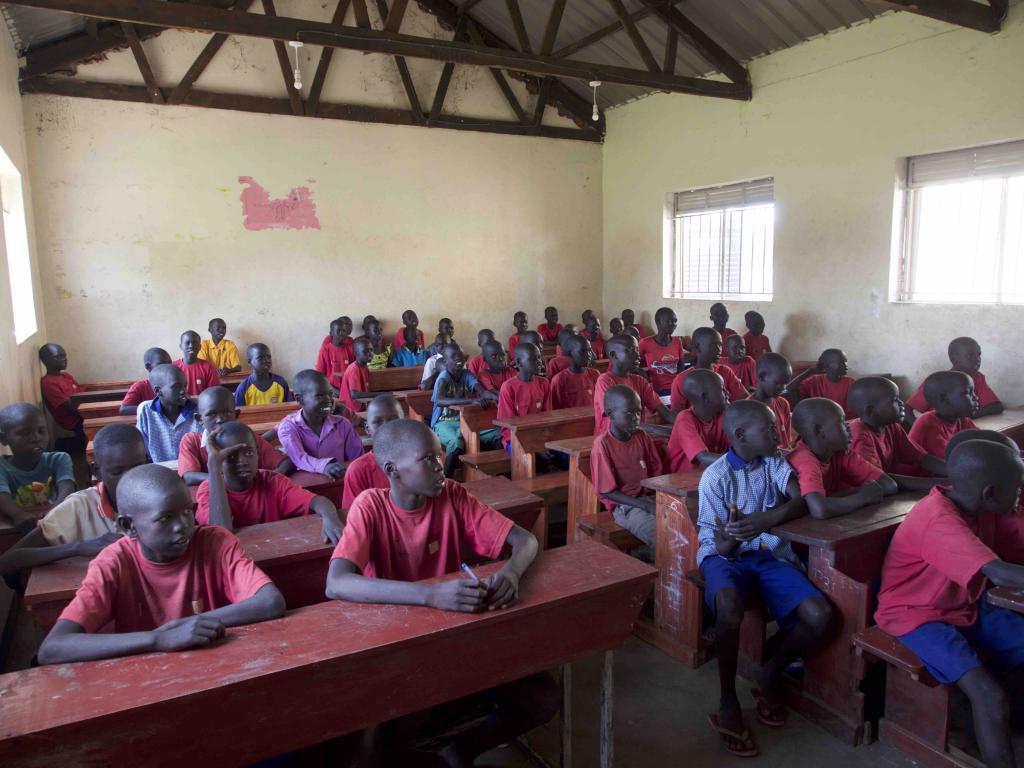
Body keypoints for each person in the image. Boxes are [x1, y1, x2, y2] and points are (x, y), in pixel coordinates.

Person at [325, 419, 557, 768]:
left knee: (542, 700)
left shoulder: (452, 493)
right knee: (372, 737)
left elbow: (526, 540)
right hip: (396, 637)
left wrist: (510, 571)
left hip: (455, 628)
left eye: (439, 454)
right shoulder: (370, 506)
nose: (440, 464)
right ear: (393, 470)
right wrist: (430, 595)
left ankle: (463, 749)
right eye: (427, 459)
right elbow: (336, 582)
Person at [36, 465, 285, 664]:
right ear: (128, 527)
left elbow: (270, 602)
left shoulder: (214, 541)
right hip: (144, 674)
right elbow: (53, 647)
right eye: (165, 518)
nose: (183, 525)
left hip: (214, 664)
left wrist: (191, 626)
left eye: (187, 511)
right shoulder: (113, 562)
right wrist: (158, 639)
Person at [875, 439, 1024, 768]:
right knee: (989, 695)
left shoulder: (979, 507)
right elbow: (999, 572)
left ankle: (994, 719)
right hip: (917, 616)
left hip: (964, 603)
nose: (1019, 497)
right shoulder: (939, 520)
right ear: (989, 493)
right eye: (1016, 490)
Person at [697, 400, 827, 757]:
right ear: (740, 435)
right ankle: (727, 699)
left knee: (818, 614)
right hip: (725, 556)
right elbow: (719, 545)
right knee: (728, 606)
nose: (779, 434)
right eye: (769, 429)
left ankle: (768, 673)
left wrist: (765, 520)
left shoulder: (774, 463)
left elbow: (801, 502)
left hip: (768, 553)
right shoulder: (716, 476)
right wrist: (735, 535)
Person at [0, 424, 145, 577]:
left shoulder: (163, 498)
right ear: (97, 471)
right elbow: (8, 560)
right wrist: (78, 547)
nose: (129, 479)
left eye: (138, 468)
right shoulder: (78, 506)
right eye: (117, 472)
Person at [197, 422, 344, 543]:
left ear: (257, 453)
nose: (242, 462)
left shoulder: (272, 481)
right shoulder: (208, 490)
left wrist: (330, 518)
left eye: (249, 453)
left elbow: (319, 501)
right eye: (231, 456)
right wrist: (213, 467)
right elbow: (222, 531)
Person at [787, 398, 901, 519]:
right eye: (841, 422)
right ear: (820, 430)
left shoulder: (840, 452)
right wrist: (862, 497)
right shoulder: (805, 460)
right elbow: (820, 509)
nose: (848, 427)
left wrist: (841, 497)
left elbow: (889, 485)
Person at [591, 386, 663, 548]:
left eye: (638, 412)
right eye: (629, 413)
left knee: (685, 524)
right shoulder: (603, 444)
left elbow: (656, 472)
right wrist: (646, 505)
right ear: (610, 414)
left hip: (650, 498)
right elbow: (606, 491)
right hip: (626, 506)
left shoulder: (642, 436)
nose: (636, 418)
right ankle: (662, 565)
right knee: (662, 536)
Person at [178, 386, 291, 485]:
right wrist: (230, 480)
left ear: (236, 415)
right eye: (211, 414)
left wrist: (271, 477)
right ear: (199, 419)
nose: (220, 419)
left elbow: (285, 462)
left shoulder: (248, 437)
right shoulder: (192, 441)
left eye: (227, 413)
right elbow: (189, 477)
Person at [848, 377, 947, 478]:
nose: (901, 403)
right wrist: (936, 483)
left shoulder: (891, 426)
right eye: (894, 400)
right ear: (870, 411)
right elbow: (878, 480)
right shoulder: (859, 434)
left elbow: (922, 458)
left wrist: (954, 472)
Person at [0, 403, 75, 531]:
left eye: (41, 431)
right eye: (24, 433)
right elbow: (2, 496)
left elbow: (67, 488)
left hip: (55, 523)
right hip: (18, 528)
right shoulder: (2, 467)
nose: (36, 438)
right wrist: (17, 514)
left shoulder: (59, 459)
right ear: (3, 439)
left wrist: (55, 510)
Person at [278, 369, 363, 479]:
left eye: (330, 394)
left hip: (339, 483)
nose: (329, 400)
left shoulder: (342, 424)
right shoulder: (288, 427)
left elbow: (357, 460)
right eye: (319, 395)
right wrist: (324, 466)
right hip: (306, 489)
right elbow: (299, 458)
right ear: (300, 399)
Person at [430, 344, 500, 477]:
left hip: (464, 421)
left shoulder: (466, 374)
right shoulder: (444, 377)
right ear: (445, 361)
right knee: (457, 442)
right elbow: (439, 400)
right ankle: (446, 480)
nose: (459, 358)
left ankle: (495, 475)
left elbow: (481, 391)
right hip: (442, 423)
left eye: (461, 355)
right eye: (454, 356)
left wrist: (495, 396)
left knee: (496, 435)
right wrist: (471, 401)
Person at [594, 335, 675, 435]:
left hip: (636, 437)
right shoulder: (605, 381)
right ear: (614, 355)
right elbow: (621, 423)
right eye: (631, 350)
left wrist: (684, 425)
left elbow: (665, 412)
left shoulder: (640, 381)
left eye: (637, 350)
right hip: (611, 440)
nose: (637, 355)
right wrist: (657, 430)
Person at [906, 337, 1002, 418]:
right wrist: (917, 428)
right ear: (954, 359)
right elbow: (907, 409)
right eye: (970, 355)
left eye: (979, 354)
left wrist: (969, 415)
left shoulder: (977, 378)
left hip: (963, 427)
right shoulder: (940, 381)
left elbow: (996, 406)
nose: (977, 359)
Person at [341, 395, 403, 510]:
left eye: (394, 420)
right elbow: (354, 517)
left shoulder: (419, 460)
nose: (386, 427)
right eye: (378, 422)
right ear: (367, 429)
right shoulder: (358, 470)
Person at [669, 327, 747, 412]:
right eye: (714, 345)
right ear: (698, 347)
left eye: (720, 345)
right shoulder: (682, 380)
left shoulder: (725, 371)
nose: (719, 349)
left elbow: (744, 399)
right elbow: (677, 415)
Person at [135, 364, 201, 463]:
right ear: (158, 391)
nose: (183, 391)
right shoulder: (146, 411)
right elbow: (143, 451)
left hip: (193, 472)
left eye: (184, 385)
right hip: (159, 472)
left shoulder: (197, 409)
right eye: (176, 387)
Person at [666, 369, 729, 472]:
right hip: (682, 479)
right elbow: (703, 457)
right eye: (722, 389)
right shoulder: (684, 419)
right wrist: (739, 460)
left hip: (710, 473)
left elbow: (738, 445)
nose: (727, 393)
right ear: (705, 397)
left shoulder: (722, 415)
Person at [908, 371, 979, 458]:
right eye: (968, 393)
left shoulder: (963, 420)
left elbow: (981, 439)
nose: (976, 397)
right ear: (945, 400)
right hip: (925, 471)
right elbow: (952, 460)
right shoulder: (928, 424)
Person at [496, 343, 552, 451]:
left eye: (539, 357)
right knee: (531, 457)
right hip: (514, 438)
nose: (539, 361)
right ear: (519, 362)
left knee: (562, 455)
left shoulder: (544, 383)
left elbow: (547, 416)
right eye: (533, 358)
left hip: (540, 435)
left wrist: (543, 440)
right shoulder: (509, 387)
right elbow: (507, 425)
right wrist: (533, 445)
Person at [38, 343, 85, 447]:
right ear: (46, 360)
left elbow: (81, 393)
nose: (64, 359)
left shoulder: (66, 376)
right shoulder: (48, 382)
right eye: (59, 357)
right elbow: (70, 408)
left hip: (82, 412)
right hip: (74, 420)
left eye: (64, 356)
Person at [750, 353, 795, 450]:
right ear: (761, 377)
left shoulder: (783, 404)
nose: (783, 388)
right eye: (778, 383)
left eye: (785, 383)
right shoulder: (748, 410)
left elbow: (787, 444)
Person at [638, 307, 688, 396]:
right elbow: (633, 363)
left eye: (675, 321)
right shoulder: (645, 343)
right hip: (657, 390)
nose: (673, 324)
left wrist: (680, 387)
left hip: (676, 387)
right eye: (669, 321)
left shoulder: (677, 341)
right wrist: (644, 375)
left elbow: (681, 367)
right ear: (658, 322)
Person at [797, 349, 855, 418]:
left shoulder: (851, 383)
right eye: (841, 362)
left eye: (846, 361)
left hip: (846, 422)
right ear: (827, 366)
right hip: (821, 423)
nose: (846, 365)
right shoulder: (814, 381)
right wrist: (809, 371)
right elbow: (787, 389)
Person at [551, 335, 600, 410]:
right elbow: (555, 409)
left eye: (589, 350)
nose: (589, 355)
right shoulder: (559, 380)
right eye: (583, 351)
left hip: (593, 418)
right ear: (570, 353)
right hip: (570, 420)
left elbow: (599, 402)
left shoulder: (595, 374)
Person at [119, 347, 171, 416]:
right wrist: (155, 408)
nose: (167, 367)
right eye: (161, 364)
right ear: (148, 367)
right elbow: (124, 410)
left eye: (169, 363)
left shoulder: (172, 384)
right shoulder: (140, 386)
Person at [174, 330, 221, 396]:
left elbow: (213, 393)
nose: (191, 346)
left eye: (195, 343)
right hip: (180, 405)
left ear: (200, 347)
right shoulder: (173, 367)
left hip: (202, 405)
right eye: (187, 343)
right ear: (181, 346)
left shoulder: (208, 367)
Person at [315, 316, 355, 393]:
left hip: (349, 389)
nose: (342, 333)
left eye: (343, 331)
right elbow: (320, 376)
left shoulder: (350, 348)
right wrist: (335, 391)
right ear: (331, 333)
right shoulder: (325, 350)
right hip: (331, 390)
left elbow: (353, 371)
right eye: (338, 331)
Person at [339, 338, 374, 415]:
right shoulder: (353, 369)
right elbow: (355, 394)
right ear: (355, 353)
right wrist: (381, 394)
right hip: (350, 411)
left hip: (361, 407)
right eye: (365, 351)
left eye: (371, 350)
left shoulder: (364, 367)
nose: (370, 353)